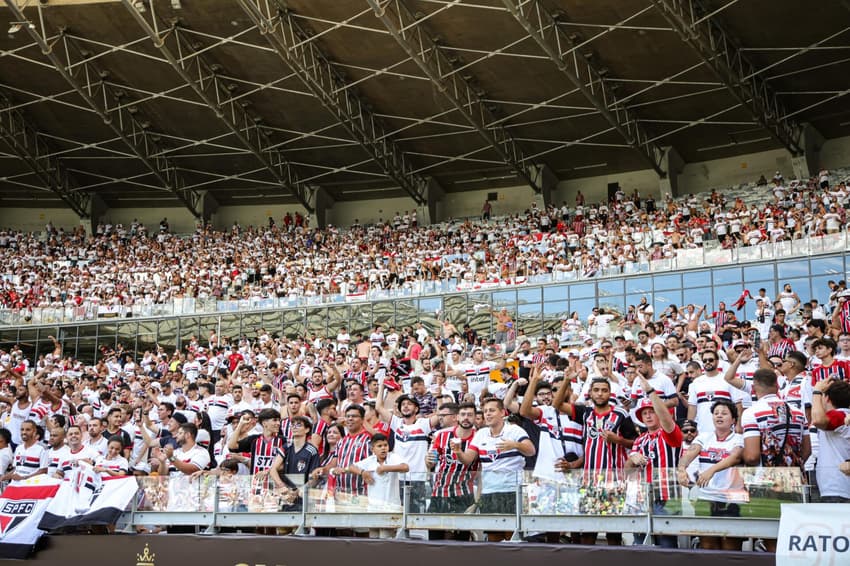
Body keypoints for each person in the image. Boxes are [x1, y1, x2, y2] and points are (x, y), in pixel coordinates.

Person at [553, 377, 638, 545]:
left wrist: (619, 440)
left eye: (604, 390)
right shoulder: (585, 413)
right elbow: (557, 404)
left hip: (614, 480)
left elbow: (636, 442)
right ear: (590, 393)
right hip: (589, 481)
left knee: (613, 533)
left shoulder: (620, 414)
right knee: (588, 532)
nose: (600, 394)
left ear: (610, 393)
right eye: (596, 390)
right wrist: (566, 380)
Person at [453, 397, 535, 542]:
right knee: (493, 535)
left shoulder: (514, 430)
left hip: (512, 491)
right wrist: (458, 451)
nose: (487, 414)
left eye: (491, 410)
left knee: (512, 535)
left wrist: (515, 445)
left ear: (502, 412)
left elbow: (531, 450)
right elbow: (467, 460)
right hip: (489, 492)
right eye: (485, 411)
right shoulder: (481, 434)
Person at [676, 399, 745, 550]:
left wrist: (711, 470)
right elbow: (689, 454)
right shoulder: (704, 437)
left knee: (730, 547)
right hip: (706, 498)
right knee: (707, 546)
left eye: (724, 413)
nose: (719, 416)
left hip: (731, 500)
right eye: (716, 413)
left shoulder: (739, 439)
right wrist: (681, 468)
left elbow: (735, 457)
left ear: (733, 419)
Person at [627, 374, 683, 548]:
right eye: (645, 413)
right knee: (640, 545)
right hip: (641, 498)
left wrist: (651, 392)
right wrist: (632, 459)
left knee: (666, 547)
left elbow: (666, 420)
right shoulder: (639, 440)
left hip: (666, 496)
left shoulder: (669, 432)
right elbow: (627, 471)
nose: (649, 416)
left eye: (652, 411)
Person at [346, 433, 409, 537]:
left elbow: (405, 467)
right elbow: (351, 467)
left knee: (386, 538)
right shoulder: (370, 460)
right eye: (379, 446)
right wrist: (363, 473)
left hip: (390, 507)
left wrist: (385, 468)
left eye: (385, 445)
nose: (383, 448)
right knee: (373, 538)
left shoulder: (393, 457)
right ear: (372, 449)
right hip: (374, 508)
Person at [809, 379, 850, 502]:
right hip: (837, 485)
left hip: (837, 486)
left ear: (826, 398)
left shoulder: (839, 415)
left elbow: (818, 420)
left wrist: (816, 392)